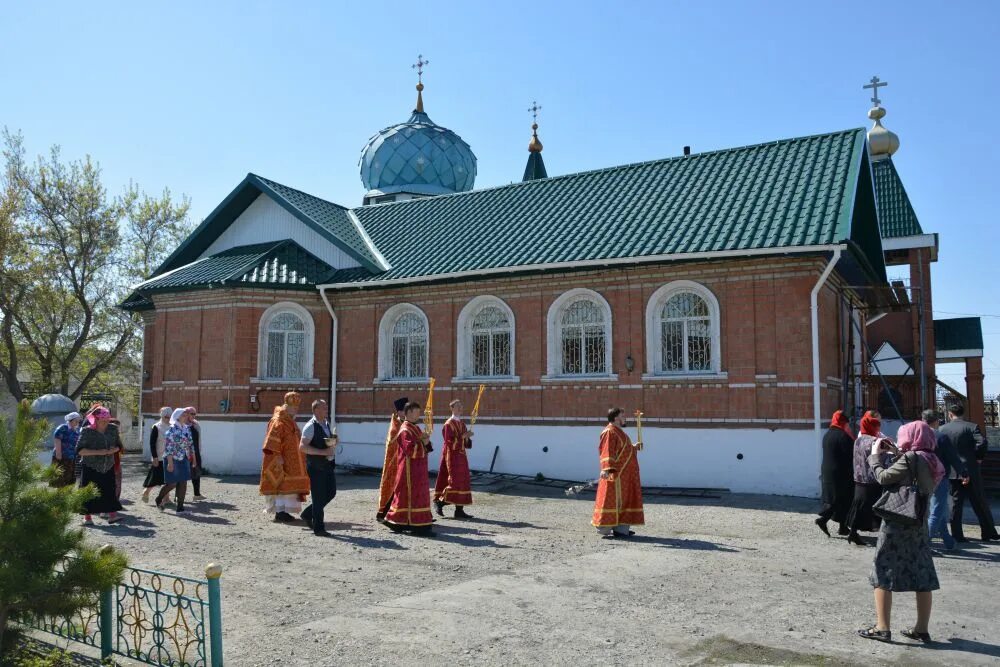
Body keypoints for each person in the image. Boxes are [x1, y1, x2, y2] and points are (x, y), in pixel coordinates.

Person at [857, 420, 944, 644]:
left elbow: (883, 477)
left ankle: (882, 627)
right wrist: (897, 453)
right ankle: (921, 628)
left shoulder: (910, 459)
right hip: (918, 520)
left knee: (883, 569)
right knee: (922, 570)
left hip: (897, 520)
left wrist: (875, 457)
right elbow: (911, 472)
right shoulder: (931, 458)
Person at [939, 404, 999, 542]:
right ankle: (988, 532)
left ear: (949, 414)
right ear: (963, 413)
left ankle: (957, 535)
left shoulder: (942, 429)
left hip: (952, 470)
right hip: (970, 468)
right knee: (979, 500)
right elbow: (982, 442)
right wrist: (978, 457)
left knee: (955, 503)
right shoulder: (971, 427)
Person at [592, 407, 644, 539]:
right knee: (612, 501)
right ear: (616, 418)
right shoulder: (610, 432)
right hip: (614, 474)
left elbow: (621, 450)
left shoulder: (618, 432)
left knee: (624, 501)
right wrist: (606, 468)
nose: (625, 418)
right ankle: (605, 527)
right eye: (623, 416)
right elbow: (607, 451)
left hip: (624, 475)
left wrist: (633, 447)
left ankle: (621, 529)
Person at [384, 401, 434, 535]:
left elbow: (426, 447)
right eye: (417, 412)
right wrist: (423, 443)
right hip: (409, 471)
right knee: (412, 497)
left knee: (414, 497)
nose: (419, 414)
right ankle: (418, 526)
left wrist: (427, 442)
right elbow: (410, 450)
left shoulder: (415, 428)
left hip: (418, 470)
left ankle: (403, 523)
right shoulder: (405, 429)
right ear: (410, 412)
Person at [259, 392, 310, 523]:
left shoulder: (290, 421)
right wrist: (277, 456)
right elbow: (271, 441)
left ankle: (285, 511)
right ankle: (280, 512)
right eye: (293, 408)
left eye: (297, 408)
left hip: (292, 461)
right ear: (286, 406)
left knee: (288, 487)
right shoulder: (278, 420)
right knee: (281, 487)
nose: (295, 410)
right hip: (281, 460)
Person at [922, 410, 967, 550]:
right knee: (936, 511)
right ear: (936, 421)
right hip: (940, 476)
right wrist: (963, 473)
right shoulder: (940, 437)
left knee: (938, 509)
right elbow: (952, 457)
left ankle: (948, 542)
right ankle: (924, 544)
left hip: (922, 476)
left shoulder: (918, 435)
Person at [846, 410, 888, 546]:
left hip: (858, 477)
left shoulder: (858, 440)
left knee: (859, 506)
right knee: (876, 506)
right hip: (871, 478)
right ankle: (884, 535)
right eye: (877, 425)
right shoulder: (874, 441)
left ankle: (853, 532)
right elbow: (885, 456)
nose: (879, 428)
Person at [77, 407, 123, 525]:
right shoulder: (86, 431)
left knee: (109, 490)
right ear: (95, 419)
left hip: (108, 465)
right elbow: (80, 451)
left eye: (107, 420)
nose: (106, 422)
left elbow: (119, 446)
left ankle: (112, 516)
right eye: (103, 420)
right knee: (89, 491)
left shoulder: (113, 429)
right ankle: (87, 518)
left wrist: (113, 450)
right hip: (90, 466)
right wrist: (100, 452)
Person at [299, 400, 339, 537]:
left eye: (326, 407)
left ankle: (307, 514)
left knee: (331, 493)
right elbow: (302, 447)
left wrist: (333, 441)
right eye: (323, 408)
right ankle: (319, 528)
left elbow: (325, 442)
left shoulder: (326, 423)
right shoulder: (310, 426)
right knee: (318, 497)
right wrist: (323, 453)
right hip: (316, 466)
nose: (326, 409)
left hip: (327, 465)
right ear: (315, 410)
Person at [816, 410, 855, 537]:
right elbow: (849, 455)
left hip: (828, 470)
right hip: (841, 472)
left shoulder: (827, 435)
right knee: (840, 499)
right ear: (843, 422)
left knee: (837, 498)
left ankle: (843, 527)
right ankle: (823, 519)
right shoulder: (843, 436)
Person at [434, 399, 474, 519]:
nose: (460, 408)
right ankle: (440, 502)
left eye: (461, 406)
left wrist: (467, 438)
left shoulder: (462, 424)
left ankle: (459, 510)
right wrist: (463, 437)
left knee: (463, 481)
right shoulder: (448, 424)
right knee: (454, 481)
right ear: (451, 408)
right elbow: (449, 442)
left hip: (461, 456)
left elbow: (466, 444)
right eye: (457, 406)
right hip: (451, 456)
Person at [156, 408, 195, 513]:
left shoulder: (187, 428)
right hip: (172, 458)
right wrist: (170, 462)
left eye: (186, 414)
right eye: (183, 414)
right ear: (177, 416)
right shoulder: (172, 429)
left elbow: (191, 445)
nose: (186, 416)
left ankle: (180, 508)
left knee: (183, 482)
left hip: (184, 458)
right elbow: (168, 447)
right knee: (172, 483)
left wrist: (194, 459)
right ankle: (159, 499)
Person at [376, 397, 408, 522]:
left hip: (405, 461)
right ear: (400, 412)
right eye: (406, 411)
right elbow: (393, 442)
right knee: (392, 488)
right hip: (394, 463)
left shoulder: (406, 423)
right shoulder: (395, 425)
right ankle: (383, 513)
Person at [142, 407, 172, 503]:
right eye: (165, 416)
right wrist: (154, 457)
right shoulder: (156, 427)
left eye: (169, 416)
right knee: (155, 477)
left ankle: (166, 498)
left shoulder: (172, 427)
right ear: (162, 415)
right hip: (159, 456)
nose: (167, 418)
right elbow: (152, 443)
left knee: (168, 479)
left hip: (170, 457)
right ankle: (146, 492)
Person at [50, 411, 82, 488]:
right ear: (70, 420)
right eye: (76, 420)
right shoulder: (63, 428)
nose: (77, 422)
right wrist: (58, 453)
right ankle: (59, 496)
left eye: (78, 421)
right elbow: (57, 439)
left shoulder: (77, 431)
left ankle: (67, 495)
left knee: (69, 478)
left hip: (71, 458)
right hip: (61, 456)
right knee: (61, 477)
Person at [185, 407, 206, 500]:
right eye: (191, 413)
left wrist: (199, 451)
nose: (193, 416)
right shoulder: (182, 425)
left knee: (196, 473)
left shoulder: (196, 424)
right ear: (186, 414)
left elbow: (199, 439)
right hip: (185, 453)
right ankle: (178, 496)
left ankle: (197, 494)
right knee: (183, 475)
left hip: (196, 452)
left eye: (194, 414)